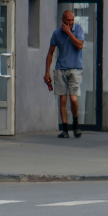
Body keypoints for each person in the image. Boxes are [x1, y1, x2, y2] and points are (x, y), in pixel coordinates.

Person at [43, 9, 86, 138]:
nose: (70, 23)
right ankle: (65, 129)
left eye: (72, 20)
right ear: (63, 20)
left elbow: (79, 45)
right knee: (62, 99)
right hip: (61, 68)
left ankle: (76, 124)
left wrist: (69, 33)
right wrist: (47, 72)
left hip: (75, 69)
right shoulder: (56, 33)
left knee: (73, 98)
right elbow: (50, 53)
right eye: (68, 20)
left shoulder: (78, 29)